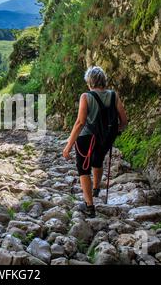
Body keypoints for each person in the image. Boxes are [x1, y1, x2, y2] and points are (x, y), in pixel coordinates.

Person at [62, 66, 128, 218]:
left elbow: (80, 122)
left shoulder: (86, 96)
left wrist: (68, 146)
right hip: (106, 137)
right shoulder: (114, 96)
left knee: (83, 168)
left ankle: (89, 206)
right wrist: (111, 131)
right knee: (97, 161)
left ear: (89, 82)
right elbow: (124, 121)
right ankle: (96, 188)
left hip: (86, 137)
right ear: (104, 80)